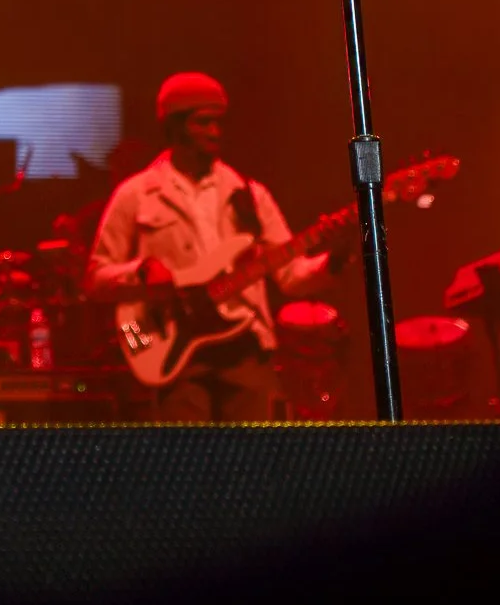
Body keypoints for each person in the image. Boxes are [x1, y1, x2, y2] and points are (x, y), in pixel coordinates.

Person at [85, 72, 333, 421]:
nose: (215, 132)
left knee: (258, 463)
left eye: (218, 122)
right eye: (203, 122)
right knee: (191, 465)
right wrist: (140, 271)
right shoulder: (135, 195)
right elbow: (96, 279)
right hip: (179, 358)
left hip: (246, 351)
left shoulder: (249, 194)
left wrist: (334, 260)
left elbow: (290, 276)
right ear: (174, 126)